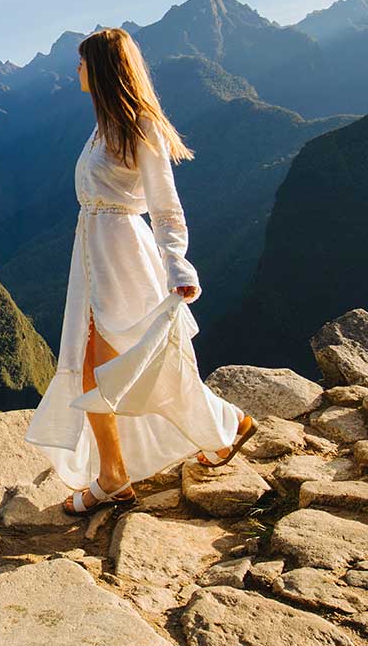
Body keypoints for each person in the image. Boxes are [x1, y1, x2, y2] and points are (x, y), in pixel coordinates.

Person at [23, 27, 257, 514]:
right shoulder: (103, 124)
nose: (77, 69)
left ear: (104, 69)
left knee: (121, 366)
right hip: (94, 257)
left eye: (83, 61)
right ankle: (216, 429)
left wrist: (178, 264)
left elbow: (166, 207)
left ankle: (118, 474)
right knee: (111, 366)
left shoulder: (140, 126)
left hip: (124, 258)